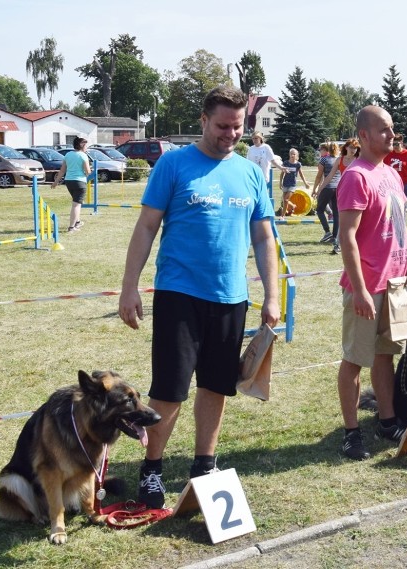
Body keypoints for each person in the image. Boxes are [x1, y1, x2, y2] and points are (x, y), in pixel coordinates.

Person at [118, 85, 280, 509]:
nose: (230, 134)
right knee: (169, 390)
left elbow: (264, 238)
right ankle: (151, 470)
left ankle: (204, 466)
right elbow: (146, 228)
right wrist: (129, 286)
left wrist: (272, 295)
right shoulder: (173, 165)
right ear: (203, 120)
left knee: (216, 387)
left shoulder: (249, 171)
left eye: (238, 126)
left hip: (231, 298)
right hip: (179, 295)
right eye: (223, 125)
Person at [335, 105, 407, 459]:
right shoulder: (356, 176)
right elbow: (347, 237)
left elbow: (400, 224)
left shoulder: (391, 174)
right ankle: (352, 432)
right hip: (367, 288)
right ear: (365, 136)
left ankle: (387, 420)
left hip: (395, 283)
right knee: (355, 360)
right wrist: (359, 289)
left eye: (392, 128)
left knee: (386, 356)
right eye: (384, 129)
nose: (392, 134)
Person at [315, 139, 360, 253]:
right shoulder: (340, 160)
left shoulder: (359, 159)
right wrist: (320, 188)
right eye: (351, 147)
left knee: (356, 221)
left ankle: (353, 244)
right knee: (342, 218)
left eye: (355, 148)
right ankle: (337, 243)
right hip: (343, 191)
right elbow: (329, 176)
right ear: (346, 148)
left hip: (357, 192)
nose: (353, 150)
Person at [51, 136, 91, 232]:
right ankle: (71, 227)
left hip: (69, 182)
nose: (87, 147)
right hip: (80, 182)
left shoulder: (68, 155)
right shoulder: (83, 155)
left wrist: (56, 182)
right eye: (86, 145)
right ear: (82, 145)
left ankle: (77, 222)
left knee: (77, 202)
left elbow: (62, 171)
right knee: (76, 205)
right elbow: (88, 171)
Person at [312, 142, 341, 253]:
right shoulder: (339, 159)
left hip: (328, 187)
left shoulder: (324, 160)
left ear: (327, 150)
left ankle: (327, 232)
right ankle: (334, 236)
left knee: (319, 210)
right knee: (336, 212)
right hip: (338, 188)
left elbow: (319, 176)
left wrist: (315, 189)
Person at [247, 132, 287, 199]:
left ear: (260, 138)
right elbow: (248, 163)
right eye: (253, 138)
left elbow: (272, 160)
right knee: (253, 195)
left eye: (256, 138)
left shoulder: (266, 147)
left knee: (261, 195)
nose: (254, 140)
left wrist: (281, 168)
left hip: (263, 175)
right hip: (253, 176)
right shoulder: (251, 149)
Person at [383, 134, 407, 203]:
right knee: (392, 204)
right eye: (393, 144)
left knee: (402, 203)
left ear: (401, 143)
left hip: (405, 184)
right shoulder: (389, 154)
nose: (395, 146)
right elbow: (384, 169)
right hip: (391, 184)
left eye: (397, 144)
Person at [278, 148, 311, 217]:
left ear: (296, 155)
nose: (292, 155)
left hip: (292, 184)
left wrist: (305, 183)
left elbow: (301, 174)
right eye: (291, 154)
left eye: (294, 154)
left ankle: (282, 216)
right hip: (285, 183)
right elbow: (282, 174)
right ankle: (293, 206)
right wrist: (280, 182)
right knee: (284, 200)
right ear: (289, 155)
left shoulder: (298, 164)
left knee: (286, 199)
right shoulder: (286, 163)